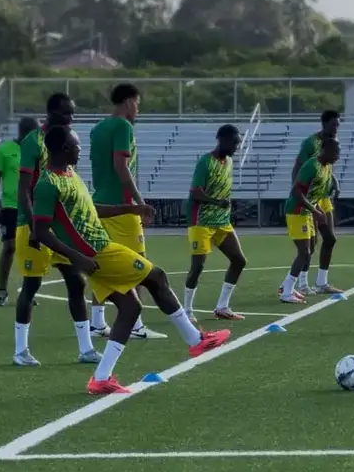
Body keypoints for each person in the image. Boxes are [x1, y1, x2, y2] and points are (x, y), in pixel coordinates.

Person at [32, 126, 231, 394]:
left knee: (130, 308)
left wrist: (131, 208)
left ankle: (101, 378)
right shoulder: (47, 184)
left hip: (96, 250)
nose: (81, 150)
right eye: (77, 145)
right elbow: (40, 231)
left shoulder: (71, 175)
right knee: (157, 276)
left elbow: (92, 210)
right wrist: (77, 258)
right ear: (65, 148)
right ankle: (195, 340)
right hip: (97, 252)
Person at [12, 96, 100, 367]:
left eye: (73, 113)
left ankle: (86, 349)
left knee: (77, 282)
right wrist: (33, 227)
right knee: (32, 285)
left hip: (60, 227)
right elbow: (24, 189)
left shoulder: (66, 139)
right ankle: (20, 351)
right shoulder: (33, 142)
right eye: (66, 113)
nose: (71, 118)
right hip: (35, 226)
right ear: (51, 112)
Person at [88, 83, 168, 340]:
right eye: (137, 103)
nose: (138, 109)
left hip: (101, 206)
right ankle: (136, 325)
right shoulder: (123, 127)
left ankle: (97, 322)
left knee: (103, 264)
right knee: (141, 267)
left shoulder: (98, 128)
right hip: (122, 210)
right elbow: (121, 167)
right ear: (128, 101)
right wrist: (139, 202)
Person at [183, 124, 248, 322]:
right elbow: (195, 192)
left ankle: (222, 307)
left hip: (221, 221)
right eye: (235, 143)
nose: (237, 147)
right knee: (198, 266)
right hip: (201, 220)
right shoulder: (205, 162)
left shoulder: (228, 162)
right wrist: (215, 201)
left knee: (239, 260)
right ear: (223, 139)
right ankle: (186, 310)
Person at [286, 109, 343, 297]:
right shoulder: (311, 143)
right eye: (333, 124)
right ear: (324, 124)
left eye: (338, 125)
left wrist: (333, 180)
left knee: (329, 238)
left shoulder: (333, 144)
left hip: (323, 197)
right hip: (309, 198)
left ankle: (321, 282)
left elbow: (325, 167)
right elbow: (299, 168)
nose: (336, 128)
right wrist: (299, 194)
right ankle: (302, 284)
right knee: (310, 243)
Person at [0, 116, 38, 306]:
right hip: (10, 205)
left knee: (30, 247)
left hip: (31, 207)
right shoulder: (5, 149)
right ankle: (2, 289)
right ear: (23, 132)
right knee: (9, 247)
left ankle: (28, 291)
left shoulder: (36, 151)